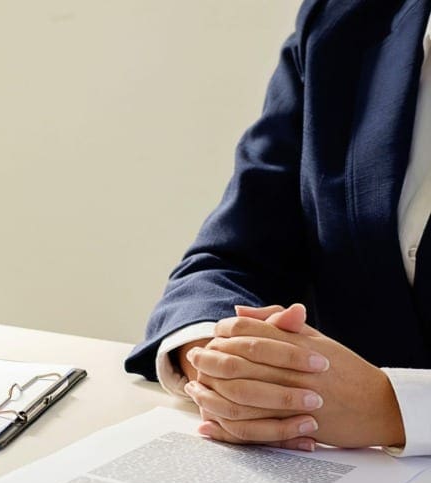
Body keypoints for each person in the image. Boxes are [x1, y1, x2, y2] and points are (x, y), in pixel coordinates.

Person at [125, 0, 431, 457]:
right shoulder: (342, 19)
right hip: (330, 482)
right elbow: (229, 259)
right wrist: (223, 361)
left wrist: (392, 409)